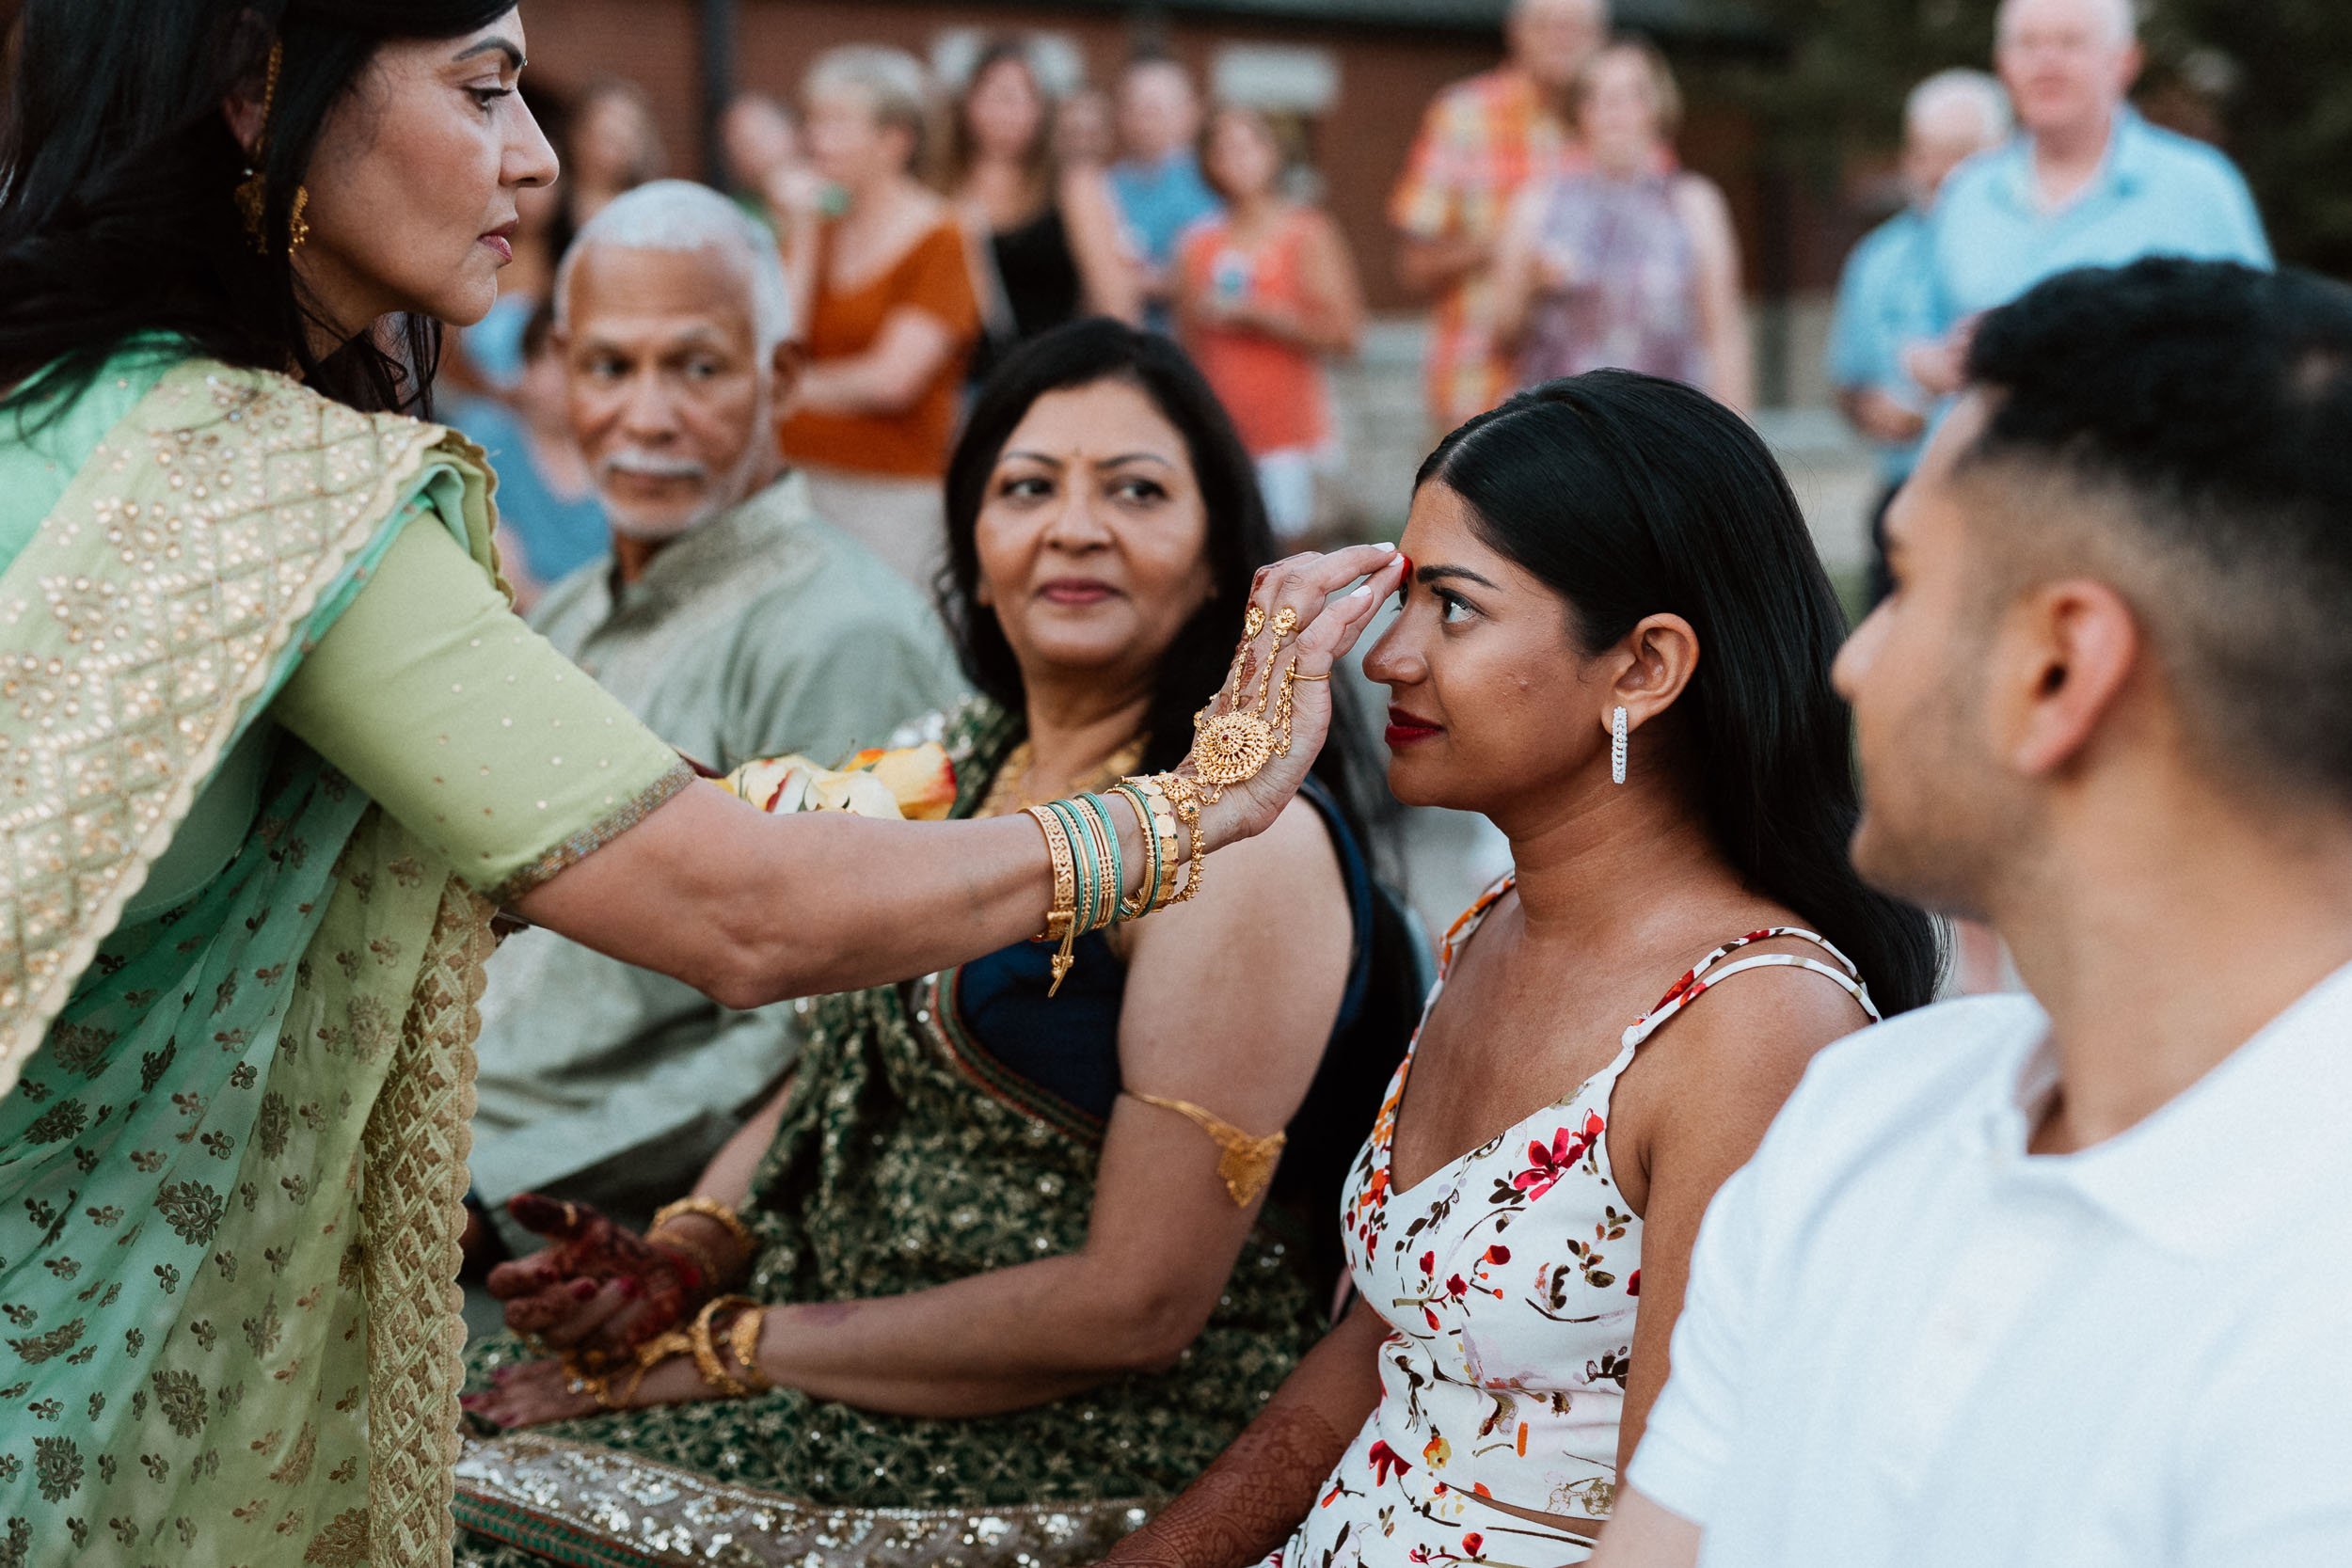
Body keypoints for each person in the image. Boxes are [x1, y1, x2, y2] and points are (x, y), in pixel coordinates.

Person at [0, 5, 1405, 1560]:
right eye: (482, 91)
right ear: (258, 100)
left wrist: (701, 1301)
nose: (534, 156)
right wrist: (1187, 809)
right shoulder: (273, 492)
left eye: (1135, 490)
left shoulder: (82, 422)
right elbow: (751, 916)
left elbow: (1128, 1285)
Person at [449, 320, 1424, 1567]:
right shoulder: (949, 756)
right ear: (971, 535)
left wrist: (720, 1348)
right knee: (378, 1424)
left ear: (1223, 554)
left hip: (1079, 1425)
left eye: (1135, 489)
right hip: (828, 1348)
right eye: (1029, 487)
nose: (1075, 526)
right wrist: (688, 1255)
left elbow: (1135, 1305)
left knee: (470, 1525)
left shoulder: (1241, 844)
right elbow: (839, 1058)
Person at [1096, 371, 1942, 1568]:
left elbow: (1689, 1526)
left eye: (1452, 607)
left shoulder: (1753, 1025)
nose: (1388, 657)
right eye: (1402, 597)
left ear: (1644, 666)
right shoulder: (1491, 923)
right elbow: (1387, 1345)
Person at [1595, 258, 2352, 1565]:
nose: (1850, 658)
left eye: (1900, 582)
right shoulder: (1860, 1115)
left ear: (2059, 665)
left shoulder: (2311, 1318)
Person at [465, 181, 965, 1261]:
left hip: (575, 1220)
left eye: (694, 366)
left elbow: (817, 1032)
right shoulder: (578, 603)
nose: (645, 416)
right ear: (557, 369)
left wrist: (488, 1196)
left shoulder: (840, 633)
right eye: (608, 367)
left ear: (778, 375)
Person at [1906, 0, 2270, 399]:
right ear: (2002, 63)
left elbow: (2262, 342)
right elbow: (1918, 336)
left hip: (2147, 455)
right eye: (2027, 44)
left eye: (2071, 42)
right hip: (1993, 456)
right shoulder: (1965, 194)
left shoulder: (2201, 188)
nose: (2046, 62)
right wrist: (1942, 363)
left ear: (2125, 62)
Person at [775, 45, 983, 586]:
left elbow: (893, 380)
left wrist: (790, 390)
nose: (816, 139)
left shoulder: (944, 236)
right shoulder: (818, 227)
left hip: (894, 497)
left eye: (839, 123)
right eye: (814, 121)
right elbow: (780, 346)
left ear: (895, 141)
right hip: (796, 482)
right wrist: (801, 230)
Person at [1827, 69, 2010, 604]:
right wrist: (1870, 409)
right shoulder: (1876, 259)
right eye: (1925, 153)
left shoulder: (2033, 247)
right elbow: (1846, 385)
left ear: (2004, 152)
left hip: (2010, 497)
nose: (1940, 172)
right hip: (1907, 497)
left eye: (1960, 152)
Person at [1491, 40, 1749, 411]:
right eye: (1597, 96)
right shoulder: (1537, 204)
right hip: (1564, 431)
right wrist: (1531, 286)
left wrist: (1736, 440)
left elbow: (1723, 335)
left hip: (1665, 425)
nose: (1614, 110)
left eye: (1632, 95)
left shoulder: (1694, 204)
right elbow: (1503, 335)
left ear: (1658, 107)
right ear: (1579, 111)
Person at [1391, 0, 1607, 436]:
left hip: (1594, 393)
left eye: (1578, 28)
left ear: (1600, 39)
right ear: (1516, 31)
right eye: (1550, 25)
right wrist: (1508, 245)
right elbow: (1412, 266)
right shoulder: (1463, 114)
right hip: (1480, 386)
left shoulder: (1619, 123)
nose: (1564, 40)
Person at [1177, 104, 1365, 543]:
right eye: (1222, 148)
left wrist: (1264, 316)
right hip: (1223, 430)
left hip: (1291, 433)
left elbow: (1347, 334)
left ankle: (1283, 619)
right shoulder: (1196, 244)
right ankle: (1247, 619)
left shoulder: (1306, 232)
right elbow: (1188, 348)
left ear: (1272, 152)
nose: (1237, 158)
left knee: (1290, 561)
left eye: (1248, 144)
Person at [947, 38, 1139, 383]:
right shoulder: (941, 190)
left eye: (1021, 97)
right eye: (995, 95)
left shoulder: (1073, 185)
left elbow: (1116, 304)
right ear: (968, 102)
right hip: (958, 386)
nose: (1006, 111)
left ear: (1042, 108)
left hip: (1048, 382)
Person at [440, 298, 609, 605]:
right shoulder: (486, 441)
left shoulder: (618, 443)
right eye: (549, 356)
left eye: (579, 359)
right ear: (522, 369)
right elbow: (507, 581)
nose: (564, 373)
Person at [1108, 54, 1222, 331]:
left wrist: (1148, 282)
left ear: (1192, 112)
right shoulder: (1105, 186)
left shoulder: (1215, 182)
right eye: (1137, 108)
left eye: (1157, 109)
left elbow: (1222, 274)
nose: (1146, 121)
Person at [565, 76, 666, 228]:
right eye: (608, 132)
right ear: (579, 134)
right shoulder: (550, 206)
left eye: (632, 128)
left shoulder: (652, 208)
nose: (622, 139)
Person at [719, 88, 801, 223]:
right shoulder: (735, 212)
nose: (748, 151)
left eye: (762, 135)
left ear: (794, 132)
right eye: (737, 144)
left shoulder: (835, 193)